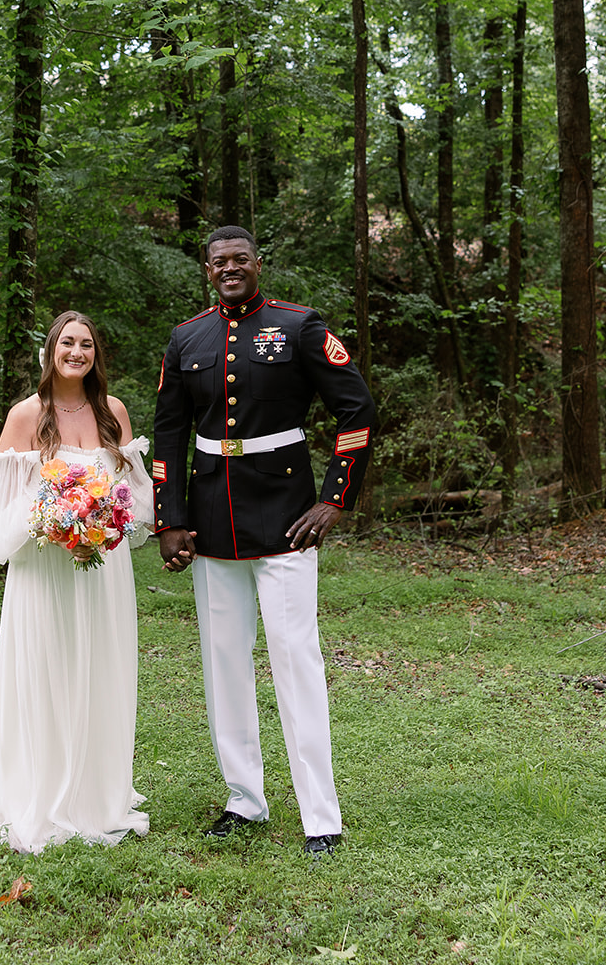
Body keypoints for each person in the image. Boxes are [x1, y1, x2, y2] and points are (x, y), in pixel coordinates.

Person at [153, 226, 377, 859]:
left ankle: (320, 815)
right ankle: (244, 800)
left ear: (258, 264)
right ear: (207, 270)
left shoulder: (301, 326)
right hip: (211, 523)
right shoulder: (186, 338)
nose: (231, 269)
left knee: (295, 662)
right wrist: (169, 519)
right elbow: (168, 434)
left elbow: (356, 411)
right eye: (219, 262)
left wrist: (334, 498)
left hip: (285, 518)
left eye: (241, 260)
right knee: (224, 665)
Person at [0, 310, 154, 854]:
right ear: (50, 350)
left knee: (100, 668)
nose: (77, 352)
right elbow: (3, 512)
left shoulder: (112, 411)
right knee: (47, 668)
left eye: (87, 344)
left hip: (102, 568)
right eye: (67, 343)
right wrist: (54, 512)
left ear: (97, 355)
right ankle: (37, 793)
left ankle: (95, 798)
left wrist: (103, 515)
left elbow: (135, 494)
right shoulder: (25, 416)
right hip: (45, 567)